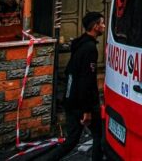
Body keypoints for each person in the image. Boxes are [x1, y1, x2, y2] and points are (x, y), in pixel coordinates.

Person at [45, 12, 105, 161]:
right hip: (82, 104)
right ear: (95, 26)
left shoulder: (80, 44)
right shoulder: (89, 48)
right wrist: (87, 110)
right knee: (98, 135)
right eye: (102, 23)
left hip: (71, 100)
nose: (104, 26)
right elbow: (86, 80)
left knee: (72, 140)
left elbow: (70, 72)